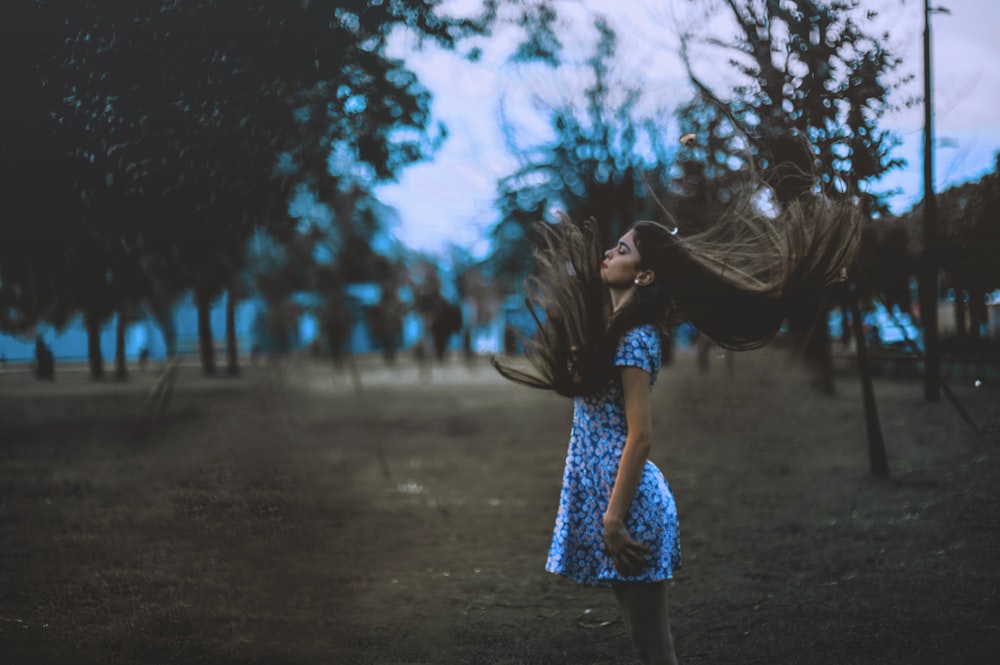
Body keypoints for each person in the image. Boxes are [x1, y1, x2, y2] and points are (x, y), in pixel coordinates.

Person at [493, 191, 860, 664]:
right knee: (644, 643)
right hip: (617, 503)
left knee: (655, 647)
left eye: (622, 250)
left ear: (644, 275)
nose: (608, 252)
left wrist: (613, 518)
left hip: (630, 510)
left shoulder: (635, 339)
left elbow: (641, 435)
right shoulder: (615, 330)